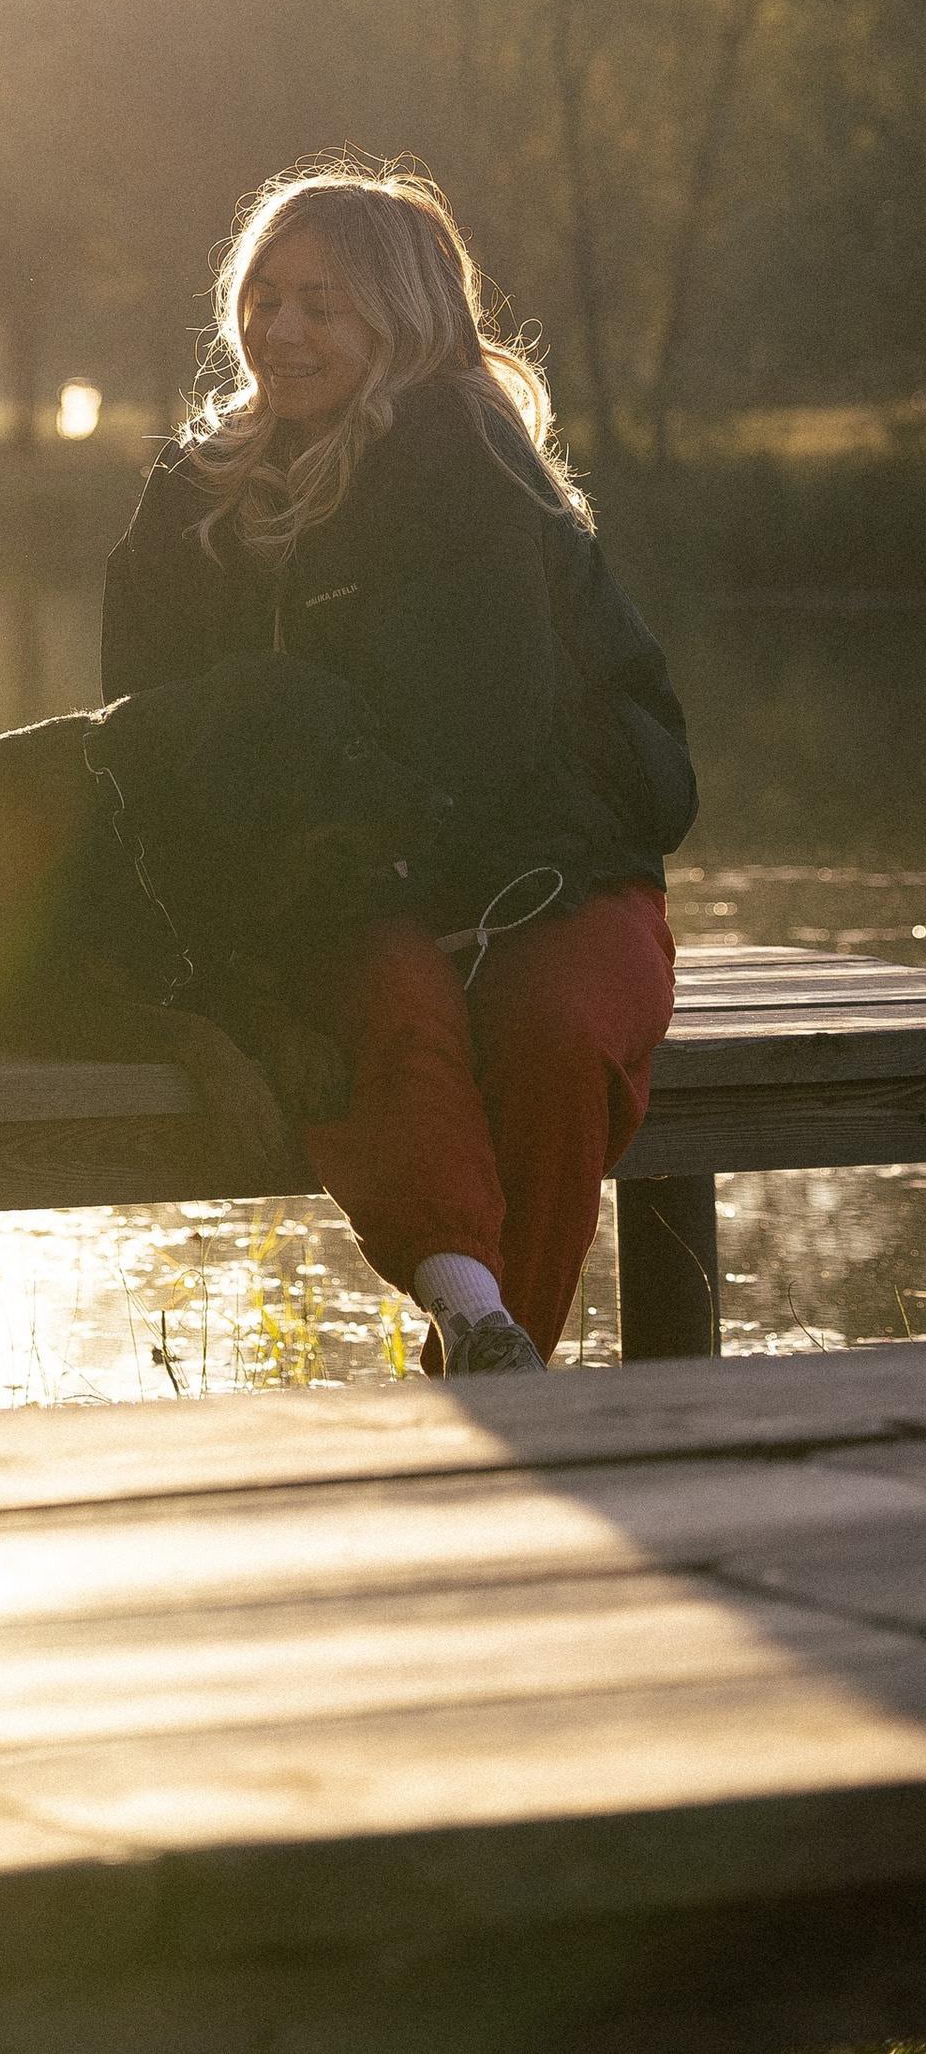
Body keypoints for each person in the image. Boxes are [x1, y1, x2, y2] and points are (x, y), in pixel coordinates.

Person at [95, 161, 696, 1374]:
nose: (283, 328)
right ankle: (484, 1334)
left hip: (551, 873)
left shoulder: (462, 458)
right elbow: (137, 724)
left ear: (398, 319)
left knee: (552, 1034)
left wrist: (421, 872)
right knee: (386, 1010)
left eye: (323, 301)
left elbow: (488, 724)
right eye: (265, 296)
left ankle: (484, 1373)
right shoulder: (193, 491)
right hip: (327, 881)